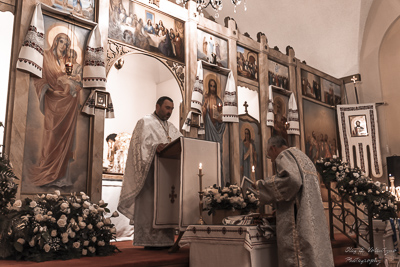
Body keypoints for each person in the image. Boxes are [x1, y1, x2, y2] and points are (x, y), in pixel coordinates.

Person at [255, 136, 334, 267]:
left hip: (296, 222)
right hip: (310, 218)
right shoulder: (303, 157)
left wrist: (261, 186)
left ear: (273, 148)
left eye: (270, 156)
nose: (272, 160)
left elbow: (293, 181)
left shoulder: (284, 155)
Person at [118, 96, 182, 248]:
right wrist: (155, 147)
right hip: (149, 178)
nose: (170, 112)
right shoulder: (145, 122)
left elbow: (180, 143)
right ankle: (149, 241)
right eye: (167, 108)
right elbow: (138, 147)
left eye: (172, 109)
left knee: (166, 206)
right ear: (157, 106)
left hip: (167, 177)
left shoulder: (172, 127)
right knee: (150, 207)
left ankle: (166, 241)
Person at [30, 33, 82, 187]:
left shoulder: (69, 61)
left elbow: (76, 81)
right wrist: (51, 92)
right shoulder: (45, 56)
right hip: (52, 103)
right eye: (61, 42)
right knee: (51, 136)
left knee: (66, 138)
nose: (64, 46)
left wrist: (73, 87)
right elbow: (39, 78)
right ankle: (46, 173)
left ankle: (61, 178)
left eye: (67, 43)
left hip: (69, 106)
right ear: (55, 42)